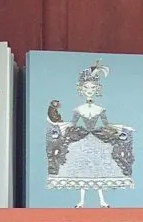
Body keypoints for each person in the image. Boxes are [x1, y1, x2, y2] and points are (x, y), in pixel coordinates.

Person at [46, 59, 136, 208]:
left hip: (98, 138)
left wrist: (121, 128)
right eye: (86, 87)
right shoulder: (78, 109)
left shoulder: (100, 109)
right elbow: (73, 123)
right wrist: (59, 125)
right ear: (81, 89)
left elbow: (106, 124)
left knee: (98, 169)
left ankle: (102, 200)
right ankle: (81, 201)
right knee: (82, 168)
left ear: (97, 89)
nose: (89, 90)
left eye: (92, 87)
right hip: (81, 138)